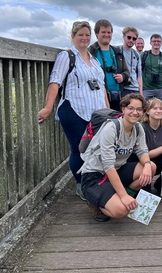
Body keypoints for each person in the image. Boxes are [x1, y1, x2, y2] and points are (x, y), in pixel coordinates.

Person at [37, 21, 108, 200]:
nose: (84, 38)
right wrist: (48, 107)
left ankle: (92, 180)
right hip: (74, 109)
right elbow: (55, 82)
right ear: (73, 36)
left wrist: (107, 110)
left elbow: (102, 86)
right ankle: (80, 184)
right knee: (78, 148)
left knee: (95, 148)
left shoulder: (93, 59)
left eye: (87, 35)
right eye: (80, 35)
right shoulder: (67, 56)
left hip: (96, 112)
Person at [79, 94, 156, 221]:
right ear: (123, 109)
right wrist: (123, 196)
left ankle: (119, 195)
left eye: (139, 109)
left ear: (143, 112)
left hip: (117, 170)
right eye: (131, 108)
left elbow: (142, 150)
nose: (135, 112)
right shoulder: (111, 128)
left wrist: (147, 164)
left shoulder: (138, 128)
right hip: (95, 175)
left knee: (151, 167)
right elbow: (108, 165)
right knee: (122, 211)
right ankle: (96, 204)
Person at [88, 19, 130, 111]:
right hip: (98, 97)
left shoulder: (117, 52)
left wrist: (123, 76)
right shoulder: (90, 52)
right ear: (96, 34)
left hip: (118, 97)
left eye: (109, 32)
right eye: (103, 32)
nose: (106, 35)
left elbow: (127, 72)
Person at [141, 34, 162, 102]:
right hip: (146, 88)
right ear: (150, 43)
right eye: (154, 41)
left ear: (161, 43)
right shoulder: (144, 55)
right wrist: (140, 90)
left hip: (161, 88)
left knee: (160, 110)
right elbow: (138, 72)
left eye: (158, 41)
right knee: (145, 109)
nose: (156, 43)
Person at [121, 26, 143, 96]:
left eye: (134, 39)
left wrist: (141, 93)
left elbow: (139, 75)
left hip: (135, 88)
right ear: (123, 36)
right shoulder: (116, 51)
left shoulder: (136, 54)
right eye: (129, 37)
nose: (131, 40)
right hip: (122, 87)